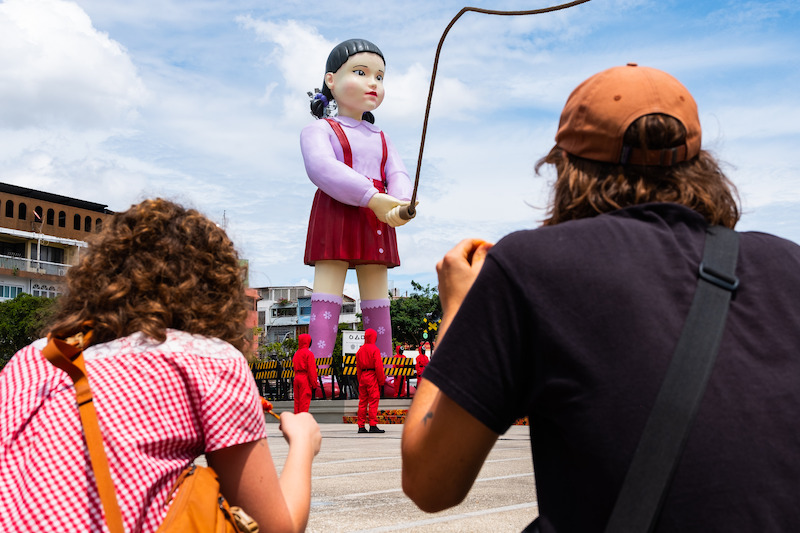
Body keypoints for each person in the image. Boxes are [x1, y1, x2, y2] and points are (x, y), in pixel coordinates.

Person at [401, 64, 800, 531]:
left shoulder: (534, 265)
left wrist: (458, 310)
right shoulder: (789, 265)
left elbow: (429, 482)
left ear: (567, 168)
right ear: (699, 162)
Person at [0, 199, 322, 533]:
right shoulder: (206, 358)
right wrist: (303, 442)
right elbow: (276, 528)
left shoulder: (34, 358)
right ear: (215, 291)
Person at [301, 38, 414, 365]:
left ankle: (387, 368)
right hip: (337, 211)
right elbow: (323, 168)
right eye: (361, 72)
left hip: (378, 217)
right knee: (327, 290)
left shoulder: (383, 137)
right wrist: (374, 198)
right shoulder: (319, 130)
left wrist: (400, 203)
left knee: (378, 295)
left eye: (379, 77)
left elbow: (399, 173)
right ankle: (318, 370)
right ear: (331, 79)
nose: (372, 83)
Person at [356, 328, 386, 433]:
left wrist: (360, 379)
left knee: (362, 402)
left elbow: (358, 367)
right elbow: (378, 367)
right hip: (372, 376)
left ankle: (361, 426)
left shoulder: (360, 350)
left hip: (363, 377)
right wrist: (381, 381)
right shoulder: (375, 349)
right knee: (373, 401)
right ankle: (372, 425)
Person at [292, 333, 318, 413]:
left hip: (296, 378)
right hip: (304, 378)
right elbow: (311, 370)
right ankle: (302, 422)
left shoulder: (296, 353)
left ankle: (296, 420)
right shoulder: (309, 354)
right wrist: (314, 384)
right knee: (304, 402)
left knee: (297, 402)